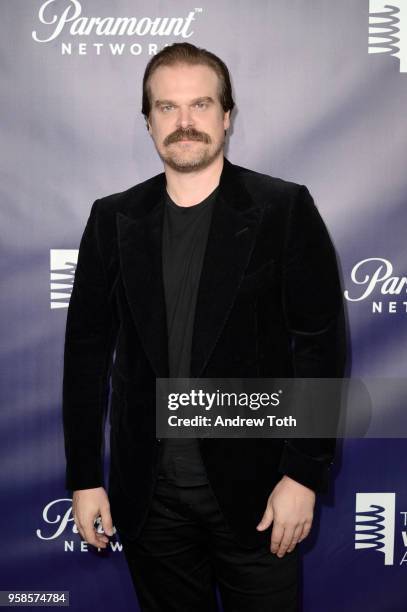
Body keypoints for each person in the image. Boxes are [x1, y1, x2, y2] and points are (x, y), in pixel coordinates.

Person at [62, 42, 346, 611]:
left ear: (227, 116)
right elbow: (86, 355)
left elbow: (320, 347)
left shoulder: (283, 209)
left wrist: (302, 475)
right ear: (147, 121)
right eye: (167, 107)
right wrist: (85, 476)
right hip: (150, 502)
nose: (184, 122)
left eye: (200, 105)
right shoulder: (112, 218)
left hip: (260, 494)